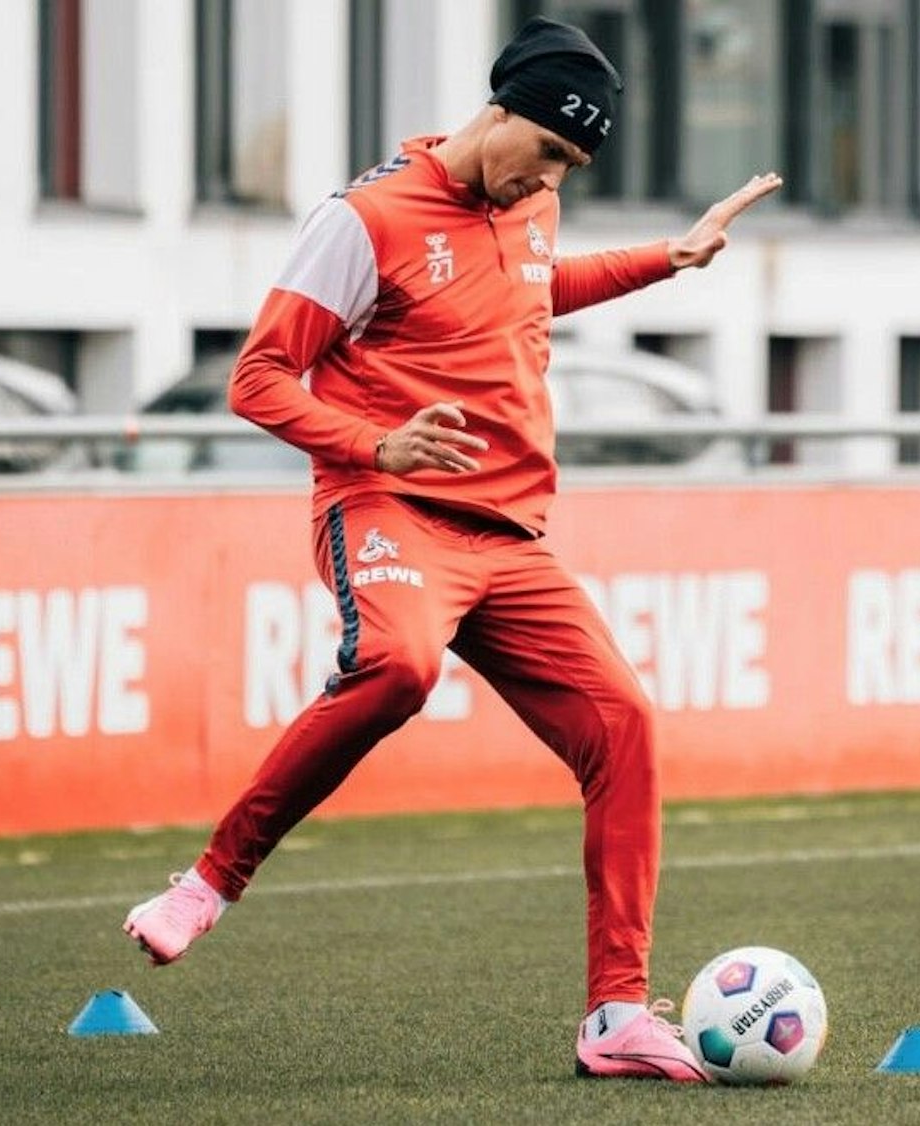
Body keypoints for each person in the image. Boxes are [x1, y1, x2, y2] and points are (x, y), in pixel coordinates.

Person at [121, 16, 781, 1083]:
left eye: (569, 168)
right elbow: (256, 378)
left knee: (624, 725)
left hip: (510, 534)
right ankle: (205, 883)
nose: (548, 183)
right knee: (397, 667)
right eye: (552, 153)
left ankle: (614, 1014)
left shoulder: (528, 203)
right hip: (389, 508)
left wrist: (669, 258)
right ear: (503, 109)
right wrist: (376, 443)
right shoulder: (362, 219)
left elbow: (529, 285)